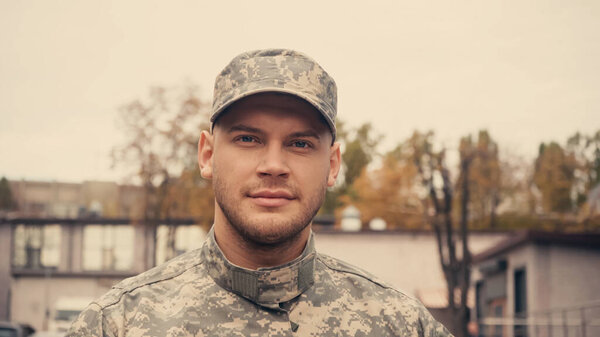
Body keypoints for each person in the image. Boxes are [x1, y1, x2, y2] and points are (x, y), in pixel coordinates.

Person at [67, 49, 453, 337]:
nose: (273, 164)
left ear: (332, 165)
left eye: (300, 144)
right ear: (208, 155)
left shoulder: (400, 324)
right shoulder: (117, 324)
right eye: (248, 138)